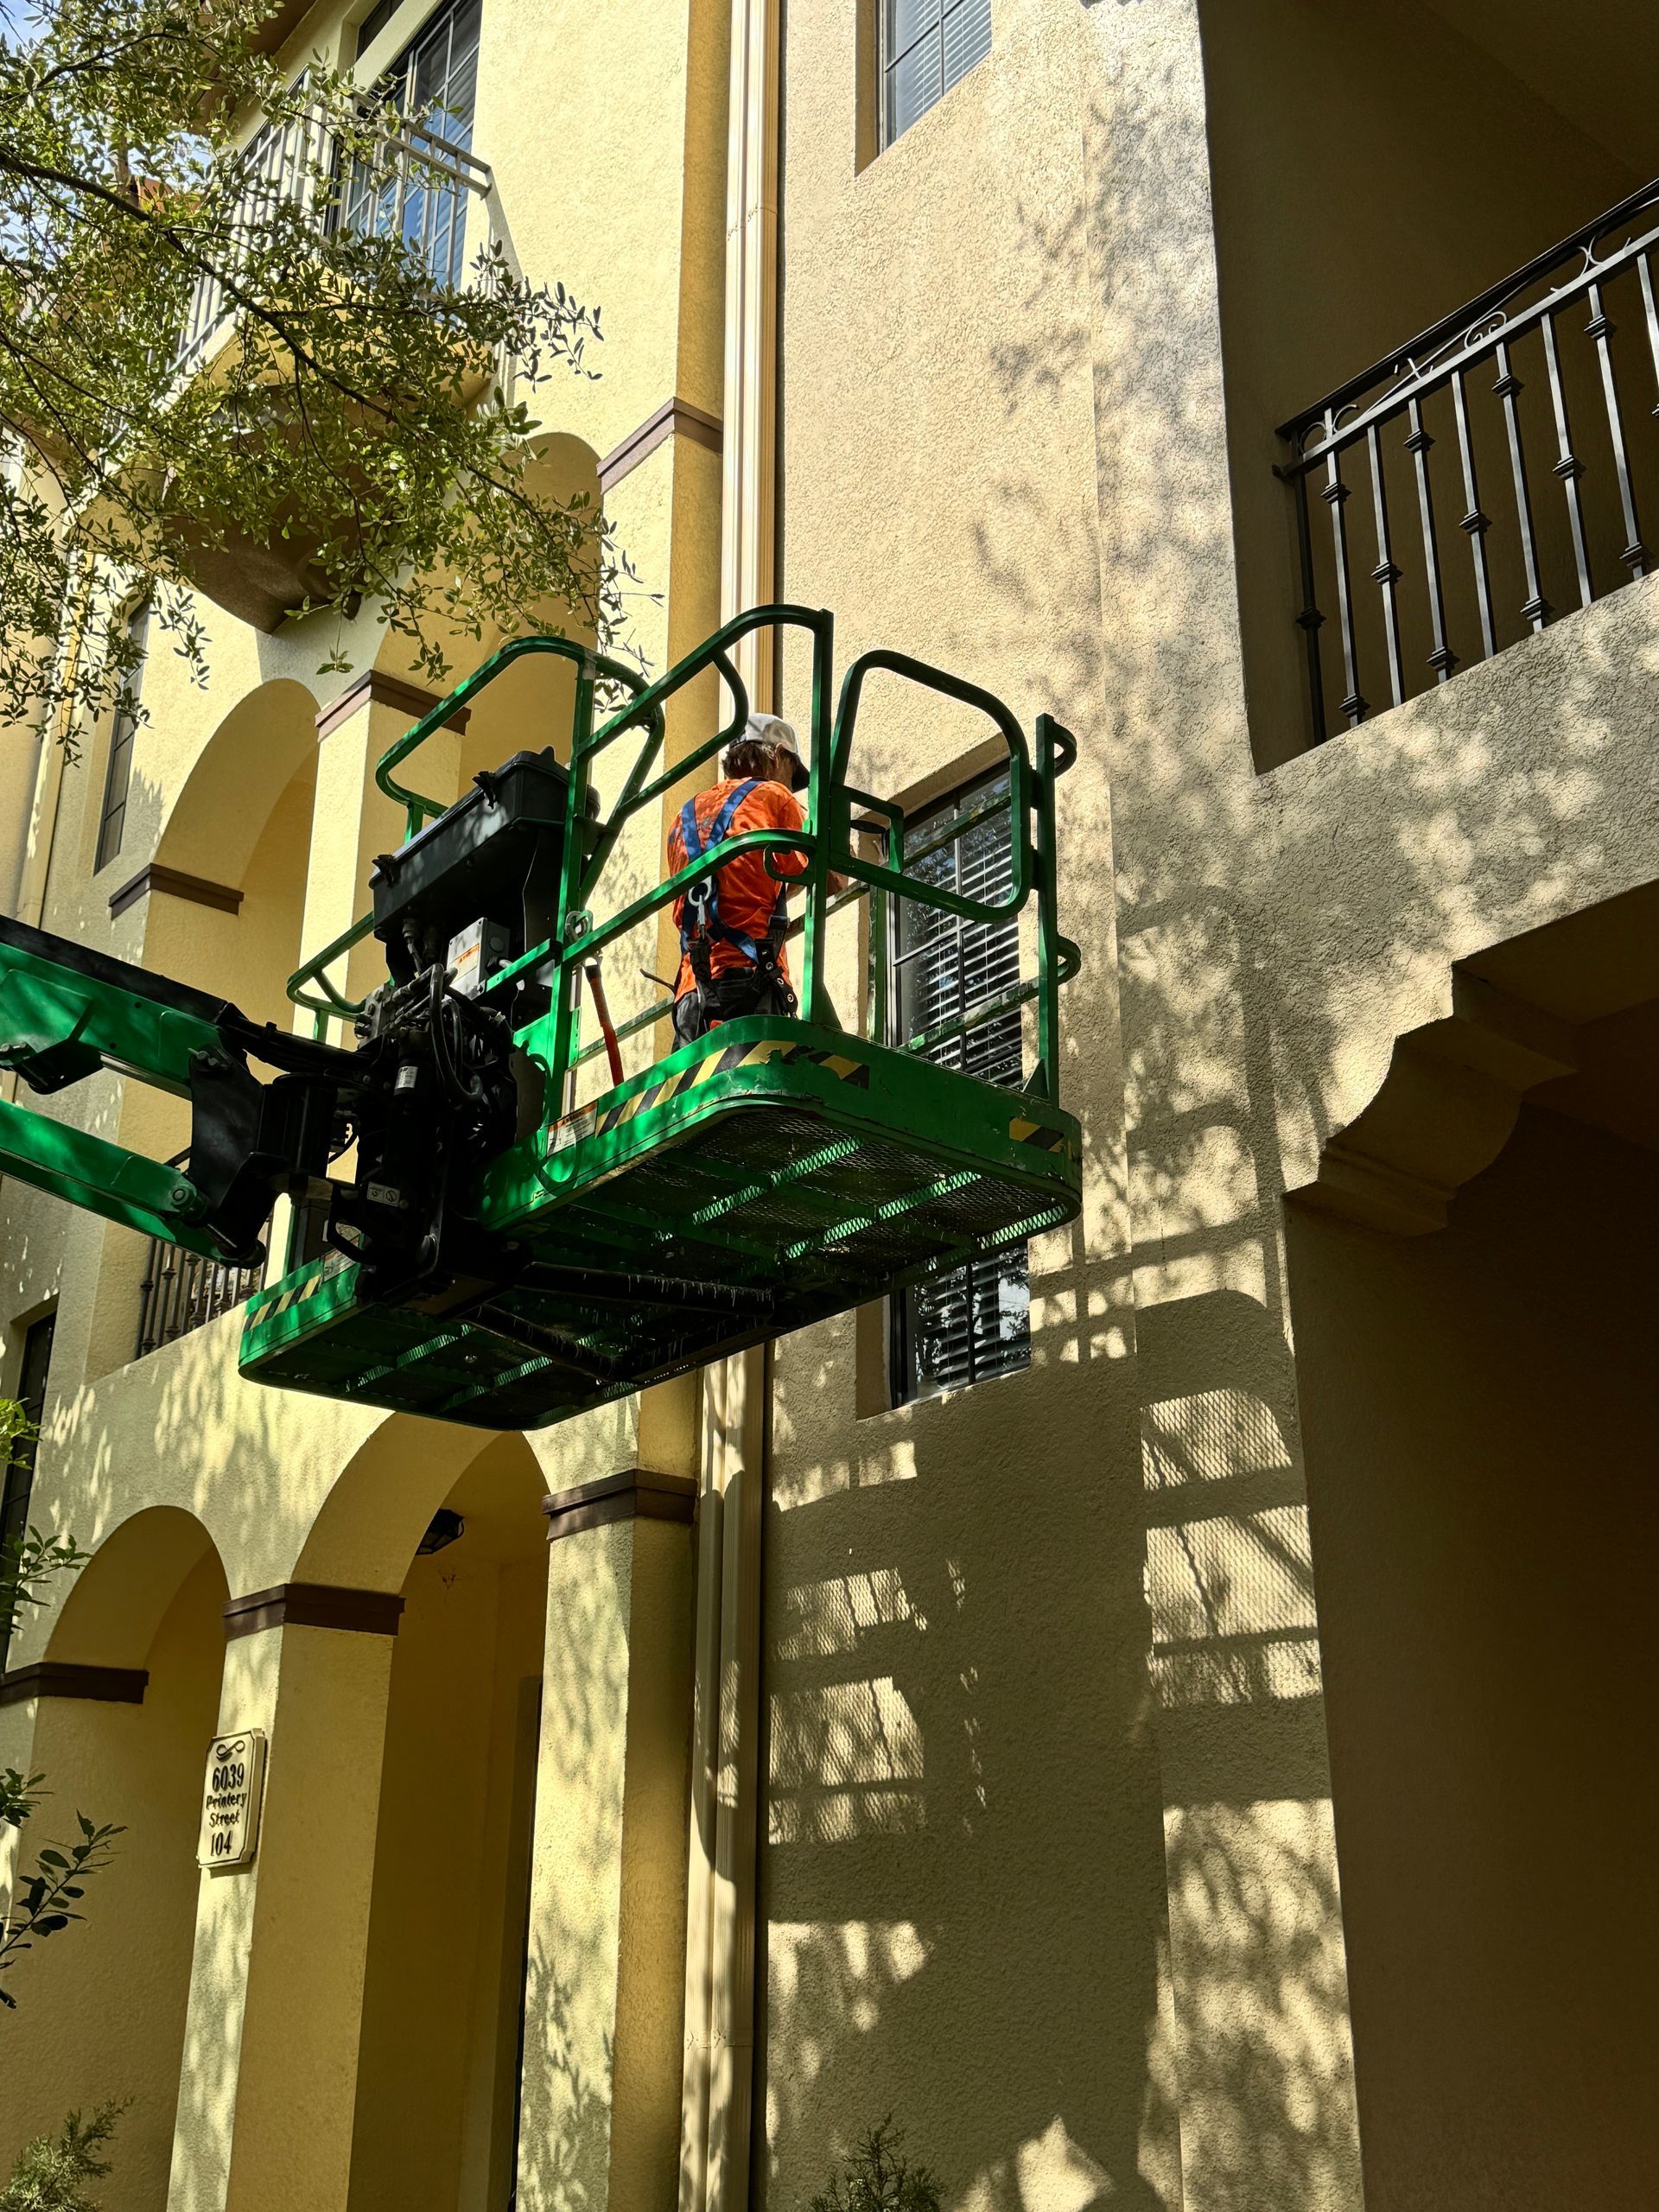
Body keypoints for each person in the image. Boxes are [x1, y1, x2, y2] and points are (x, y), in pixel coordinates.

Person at [668, 713, 846, 1043]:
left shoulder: (684, 816)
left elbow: (731, 883)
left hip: (691, 994)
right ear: (778, 755)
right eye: (792, 774)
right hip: (751, 984)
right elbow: (826, 879)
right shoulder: (775, 798)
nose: (791, 786)